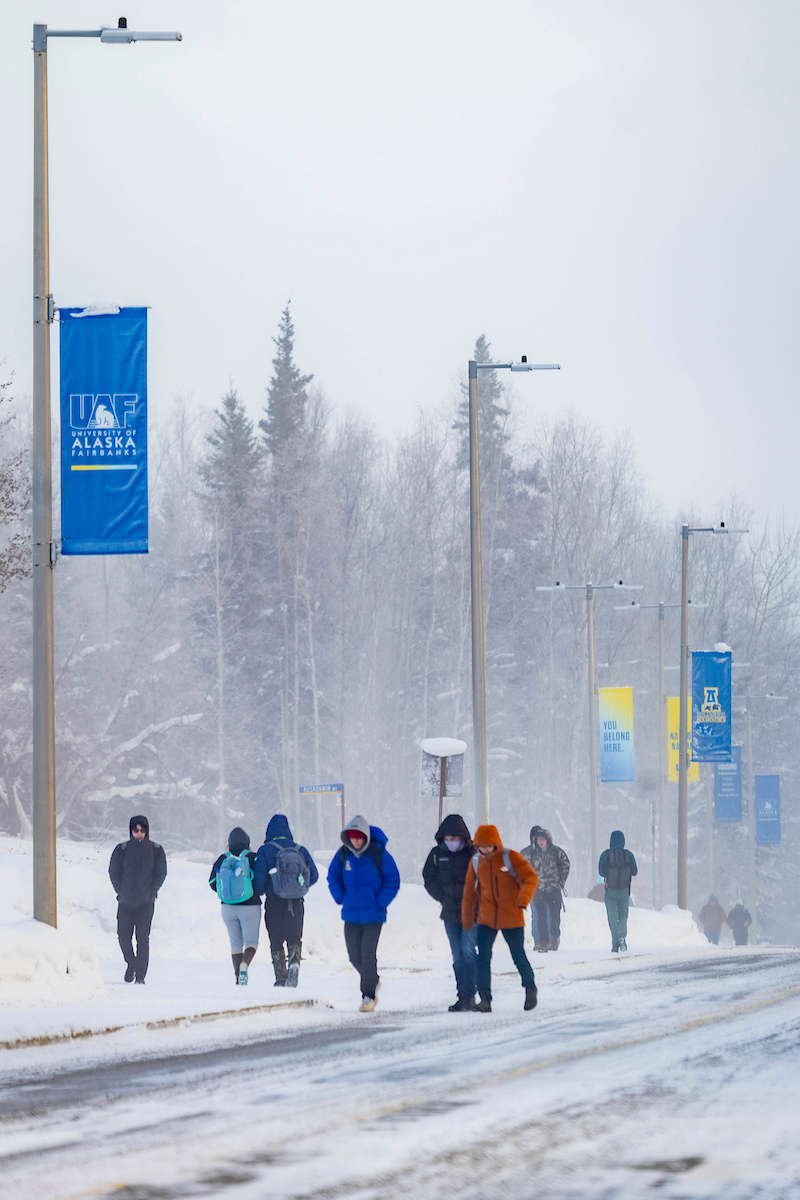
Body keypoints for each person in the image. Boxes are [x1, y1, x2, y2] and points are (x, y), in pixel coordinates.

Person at [461, 824, 538, 1013]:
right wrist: (467, 918)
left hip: (512, 915)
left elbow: (530, 877)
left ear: (496, 844)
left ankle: (530, 989)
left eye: (488, 846)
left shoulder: (509, 857)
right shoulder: (476, 862)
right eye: (480, 846)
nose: (484, 850)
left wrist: (523, 899)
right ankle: (485, 999)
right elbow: (470, 892)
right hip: (487, 917)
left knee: (518, 955)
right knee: (483, 958)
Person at [327, 815, 400, 1011]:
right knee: (354, 955)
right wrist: (340, 896)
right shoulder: (343, 855)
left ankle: (368, 996)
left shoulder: (379, 854)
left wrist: (380, 901)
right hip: (351, 915)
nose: (356, 841)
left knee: (367, 954)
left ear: (366, 837)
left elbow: (393, 880)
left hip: (374, 916)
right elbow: (332, 876)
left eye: (359, 837)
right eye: (352, 837)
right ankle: (372, 980)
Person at [254, 814, 318, 987]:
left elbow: (259, 882)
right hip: (296, 902)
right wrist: (299, 887)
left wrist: (263, 890)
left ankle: (280, 976)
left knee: (276, 940)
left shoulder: (265, 850)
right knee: (294, 937)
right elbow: (314, 876)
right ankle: (295, 963)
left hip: (274, 900)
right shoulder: (300, 849)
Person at [422, 814, 477, 1012]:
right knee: (457, 955)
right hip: (450, 913)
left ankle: (470, 995)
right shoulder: (437, 854)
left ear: (463, 838)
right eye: (448, 839)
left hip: (472, 913)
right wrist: (442, 897)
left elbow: (484, 879)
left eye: (454, 839)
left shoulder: (473, 854)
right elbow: (429, 878)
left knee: (468, 951)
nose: (451, 842)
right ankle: (462, 996)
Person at [108, 814, 167, 984]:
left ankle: (140, 976)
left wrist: (152, 891)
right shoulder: (122, 849)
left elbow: (161, 873)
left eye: (142, 830)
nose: (139, 833)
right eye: (136, 829)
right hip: (125, 901)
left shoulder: (156, 850)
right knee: (123, 937)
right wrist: (120, 891)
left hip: (145, 903)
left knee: (143, 939)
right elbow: (113, 871)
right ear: (131, 830)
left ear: (147, 831)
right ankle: (131, 963)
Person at [209, 827, 262, 984]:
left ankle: (238, 977)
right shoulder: (252, 857)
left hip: (227, 908)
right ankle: (245, 964)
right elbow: (259, 881)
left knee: (235, 943)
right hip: (250, 906)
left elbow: (212, 883)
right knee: (251, 942)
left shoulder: (222, 859)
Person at [520, 827, 570, 951]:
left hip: (554, 888)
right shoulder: (531, 853)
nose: (540, 842)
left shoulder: (556, 852)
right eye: (538, 839)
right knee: (541, 916)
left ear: (548, 840)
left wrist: (561, 882)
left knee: (554, 916)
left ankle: (554, 938)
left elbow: (565, 865)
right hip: (538, 889)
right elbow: (519, 863)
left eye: (543, 839)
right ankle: (543, 942)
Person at [599, 830, 637, 953]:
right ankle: (622, 936)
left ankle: (615, 945)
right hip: (625, 890)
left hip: (610, 890)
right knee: (623, 915)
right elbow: (635, 871)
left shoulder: (606, 855)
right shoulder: (629, 855)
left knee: (612, 917)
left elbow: (601, 872)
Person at [519, 825, 544, 945]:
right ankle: (538, 940)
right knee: (537, 914)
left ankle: (544, 940)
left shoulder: (547, 852)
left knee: (544, 915)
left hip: (545, 888)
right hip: (533, 889)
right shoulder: (526, 853)